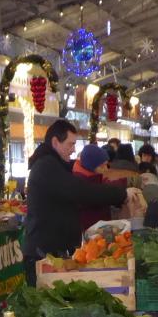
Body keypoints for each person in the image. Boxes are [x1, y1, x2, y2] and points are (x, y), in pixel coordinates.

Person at [22, 120, 128, 284]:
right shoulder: (46, 167)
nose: (73, 150)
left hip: (51, 251)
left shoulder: (55, 164)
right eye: (70, 144)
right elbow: (81, 192)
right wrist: (120, 193)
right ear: (55, 142)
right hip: (42, 254)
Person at [72, 143, 116, 234]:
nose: (106, 169)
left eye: (106, 165)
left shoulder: (96, 177)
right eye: (102, 166)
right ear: (91, 166)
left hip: (100, 229)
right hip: (90, 232)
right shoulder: (81, 182)